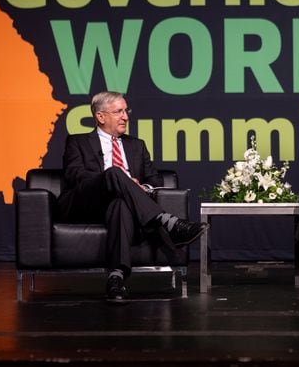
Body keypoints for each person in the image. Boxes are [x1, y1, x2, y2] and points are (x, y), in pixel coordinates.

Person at [57, 91, 208, 302]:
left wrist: (139, 186)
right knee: (115, 173)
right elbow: (74, 174)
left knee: (120, 204)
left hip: (120, 205)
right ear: (100, 117)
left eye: (126, 111)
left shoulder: (136, 145)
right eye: (118, 111)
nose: (125, 117)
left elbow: (155, 181)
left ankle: (116, 277)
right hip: (86, 202)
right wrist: (114, 178)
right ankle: (168, 222)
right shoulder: (77, 142)